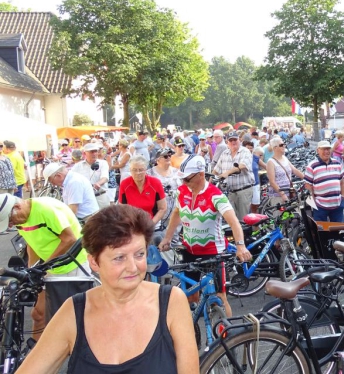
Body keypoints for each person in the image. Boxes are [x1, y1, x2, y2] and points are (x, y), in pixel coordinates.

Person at [16, 204, 198, 373]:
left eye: (139, 254)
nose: (133, 267)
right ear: (94, 262)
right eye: (119, 258)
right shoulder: (74, 312)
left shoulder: (171, 301)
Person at [158, 155, 251, 316]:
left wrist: (240, 246)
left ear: (201, 174)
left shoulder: (215, 195)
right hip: (189, 251)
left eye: (187, 179)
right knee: (191, 297)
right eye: (182, 180)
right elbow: (176, 213)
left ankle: (228, 337)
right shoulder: (182, 191)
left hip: (213, 253)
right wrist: (167, 238)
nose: (184, 183)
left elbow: (234, 221)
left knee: (220, 296)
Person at [0, 194, 90, 340]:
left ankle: (80, 354)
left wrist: (44, 266)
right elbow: (32, 244)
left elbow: (69, 239)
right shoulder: (21, 218)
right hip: (49, 267)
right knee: (39, 314)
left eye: (10, 220)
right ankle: (36, 353)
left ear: (17, 207)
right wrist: (31, 270)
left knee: (76, 317)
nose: (11, 225)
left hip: (73, 265)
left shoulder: (46, 210)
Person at [213, 131, 255, 220]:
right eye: (230, 140)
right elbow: (216, 170)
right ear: (227, 142)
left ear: (239, 140)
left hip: (243, 190)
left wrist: (227, 173)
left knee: (243, 219)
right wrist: (207, 184)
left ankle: (245, 234)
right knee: (232, 220)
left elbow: (242, 165)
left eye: (235, 140)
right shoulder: (224, 153)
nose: (233, 142)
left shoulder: (245, 151)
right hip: (230, 192)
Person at [119, 155, 167, 230]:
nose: (138, 173)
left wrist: (150, 224)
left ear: (146, 170)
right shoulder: (124, 184)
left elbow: (163, 208)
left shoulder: (155, 183)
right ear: (130, 170)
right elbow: (122, 209)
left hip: (152, 225)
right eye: (134, 170)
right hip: (132, 225)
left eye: (141, 169)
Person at [304, 140, 344, 222]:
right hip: (320, 206)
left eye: (328, 149)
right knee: (321, 232)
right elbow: (308, 186)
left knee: (338, 231)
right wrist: (314, 203)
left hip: (337, 205)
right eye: (323, 149)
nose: (326, 151)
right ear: (318, 150)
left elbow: (342, 182)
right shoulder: (312, 166)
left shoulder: (337, 164)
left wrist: (342, 197)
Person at [266, 136, 304, 207]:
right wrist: (282, 194)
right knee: (282, 216)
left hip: (289, 192)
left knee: (294, 215)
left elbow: (294, 170)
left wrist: (307, 178)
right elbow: (272, 182)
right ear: (275, 148)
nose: (284, 146)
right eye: (281, 145)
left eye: (284, 144)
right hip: (278, 195)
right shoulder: (271, 162)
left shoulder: (284, 158)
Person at [71, 143, 110, 209]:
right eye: (91, 152)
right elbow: (71, 178)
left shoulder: (103, 163)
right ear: (84, 153)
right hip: (85, 198)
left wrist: (98, 183)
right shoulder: (77, 166)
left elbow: (105, 177)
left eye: (96, 151)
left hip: (100, 196)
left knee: (105, 218)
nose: (94, 154)